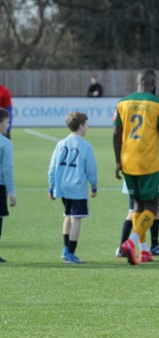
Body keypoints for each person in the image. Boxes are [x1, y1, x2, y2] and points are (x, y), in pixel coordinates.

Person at [114, 69, 159, 266]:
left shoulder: (122, 103)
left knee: (137, 207)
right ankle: (131, 242)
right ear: (153, 83)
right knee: (152, 207)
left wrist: (117, 161)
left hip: (128, 162)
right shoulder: (158, 104)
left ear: (137, 82)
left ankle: (145, 250)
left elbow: (117, 133)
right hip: (148, 163)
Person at [47, 112, 97, 264]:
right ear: (81, 126)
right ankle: (71, 253)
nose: (87, 127)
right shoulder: (85, 146)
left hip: (63, 187)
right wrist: (94, 185)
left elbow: (53, 166)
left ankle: (65, 249)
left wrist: (51, 185)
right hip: (77, 187)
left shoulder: (61, 144)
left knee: (67, 216)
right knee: (76, 219)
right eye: (87, 124)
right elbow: (91, 169)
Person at [0, 108, 15, 262]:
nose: (8, 125)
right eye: (6, 122)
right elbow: (7, 169)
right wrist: (12, 192)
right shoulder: (5, 143)